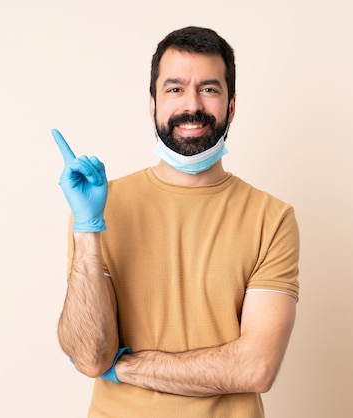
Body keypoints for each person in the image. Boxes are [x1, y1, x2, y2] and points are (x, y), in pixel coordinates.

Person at [52, 26, 300, 418]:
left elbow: (256, 367)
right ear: (152, 104)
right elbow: (89, 356)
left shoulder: (271, 218)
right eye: (174, 89)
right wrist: (87, 228)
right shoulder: (102, 209)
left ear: (231, 106)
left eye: (209, 89)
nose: (192, 104)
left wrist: (126, 367)